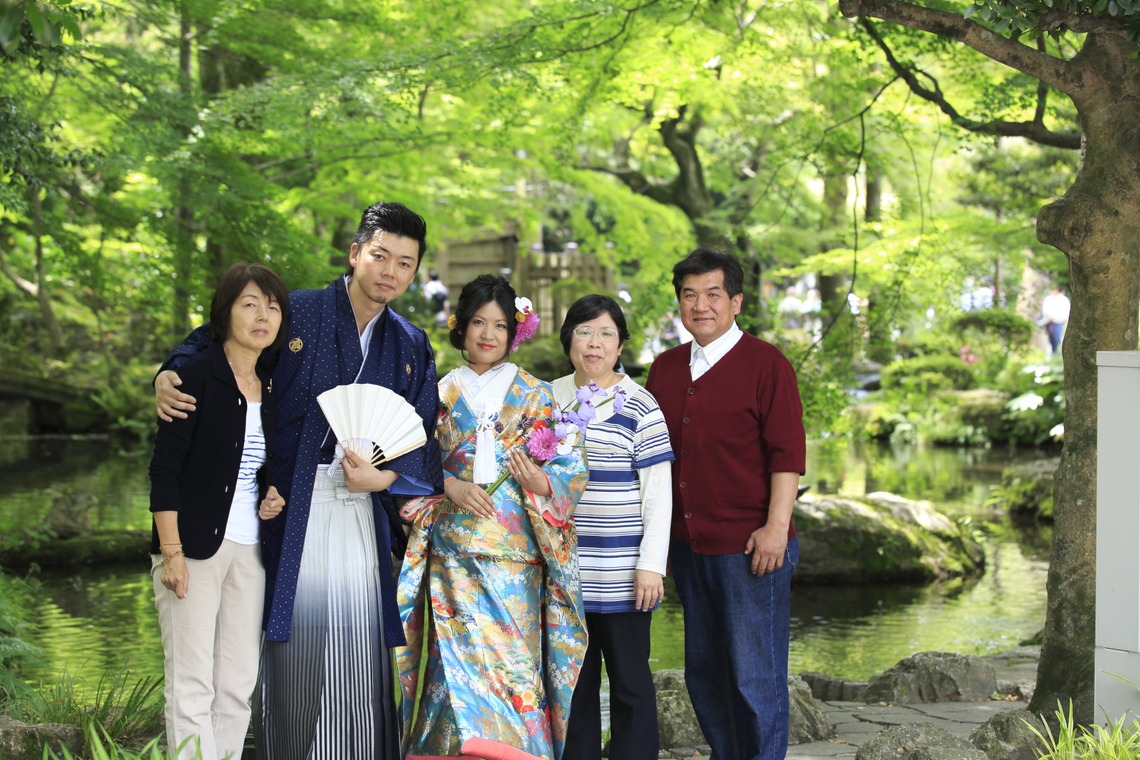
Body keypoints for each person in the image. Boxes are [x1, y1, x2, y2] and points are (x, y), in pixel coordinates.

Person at [154, 202, 445, 760]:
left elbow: (422, 442)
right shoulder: (300, 312)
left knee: (361, 648)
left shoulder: (410, 344)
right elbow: (220, 337)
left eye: (405, 263)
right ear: (355, 253)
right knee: (291, 652)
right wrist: (168, 371)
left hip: (363, 509)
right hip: (290, 503)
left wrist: (384, 477)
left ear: (414, 271)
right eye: (380, 255)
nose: (390, 271)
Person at [396, 274, 588, 760]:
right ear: (460, 326)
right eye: (478, 322)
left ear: (514, 331)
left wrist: (540, 481)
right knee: (451, 675)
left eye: (500, 325)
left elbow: (569, 468)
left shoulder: (536, 394)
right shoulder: (436, 393)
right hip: (453, 557)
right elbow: (407, 463)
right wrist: (448, 485)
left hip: (515, 561)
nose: (488, 334)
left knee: (515, 672)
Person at [646, 248, 806, 760]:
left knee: (755, 677)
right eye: (689, 295)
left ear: (736, 301)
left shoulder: (767, 364)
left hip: (751, 549)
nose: (701, 306)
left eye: (713, 294)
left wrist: (776, 528)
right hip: (690, 549)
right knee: (705, 674)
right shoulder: (666, 369)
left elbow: (787, 455)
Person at [148, 262, 289, 760]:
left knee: (236, 683)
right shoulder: (193, 376)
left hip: (249, 549)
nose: (262, 316)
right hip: (192, 548)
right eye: (249, 304)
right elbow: (163, 472)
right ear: (225, 312)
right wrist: (171, 554)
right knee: (192, 683)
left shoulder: (269, 385)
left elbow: (253, 466)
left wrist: (271, 494)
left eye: (272, 307)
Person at [551, 295, 674, 760]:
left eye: (606, 334)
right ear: (568, 340)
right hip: (563, 576)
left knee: (631, 686)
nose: (594, 343)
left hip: (625, 576)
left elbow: (658, 495)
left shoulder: (642, 405)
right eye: (584, 332)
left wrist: (651, 566)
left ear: (620, 345)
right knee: (573, 688)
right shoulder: (547, 398)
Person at [1041, 285, 1070, 357]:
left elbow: (1066, 311)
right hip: (1048, 321)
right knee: (1050, 339)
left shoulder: (1063, 299)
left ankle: (1056, 352)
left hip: (1058, 322)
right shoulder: (1048, 299)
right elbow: (1045, 310)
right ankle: (1053, 353)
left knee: (1056, 338)